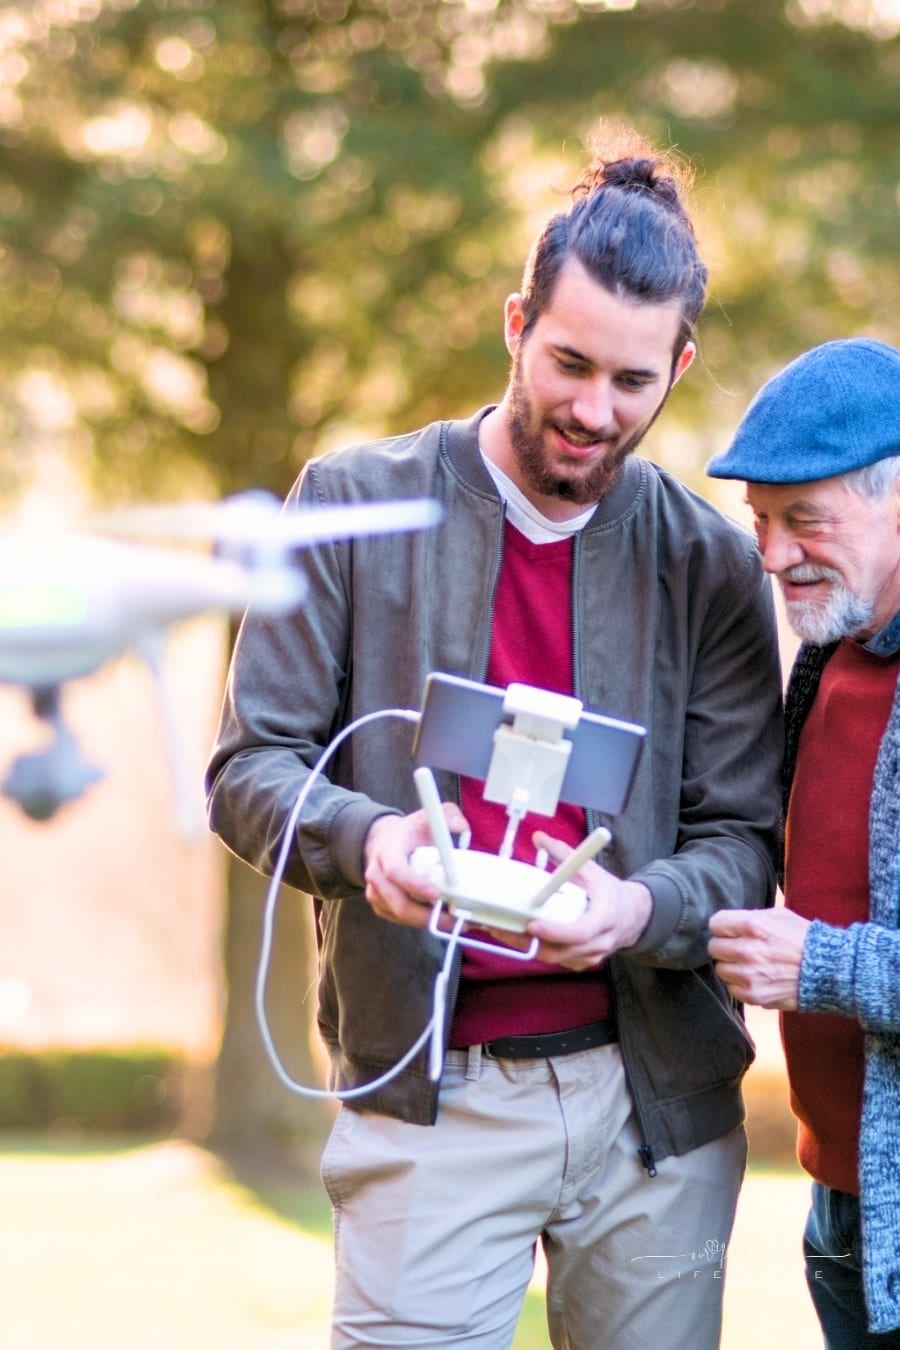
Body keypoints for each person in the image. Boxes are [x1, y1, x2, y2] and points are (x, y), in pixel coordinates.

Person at [206, 125, 783, 1350]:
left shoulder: (714, 565)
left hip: (655, 1113)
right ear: (515, 322)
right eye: (570, 362)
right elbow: (248, 766)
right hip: (428, 1099)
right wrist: (370, 841)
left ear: (679, 366)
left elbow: (745, 837)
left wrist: (639, 910)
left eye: (634, 382)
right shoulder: (352, 505)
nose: (593, 410)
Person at [706, 338, 900, 1348]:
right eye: (763, 524)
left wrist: (818, 963)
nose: (774, 556)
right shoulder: (828, 654)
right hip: (840, 1200)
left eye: (805, 520)